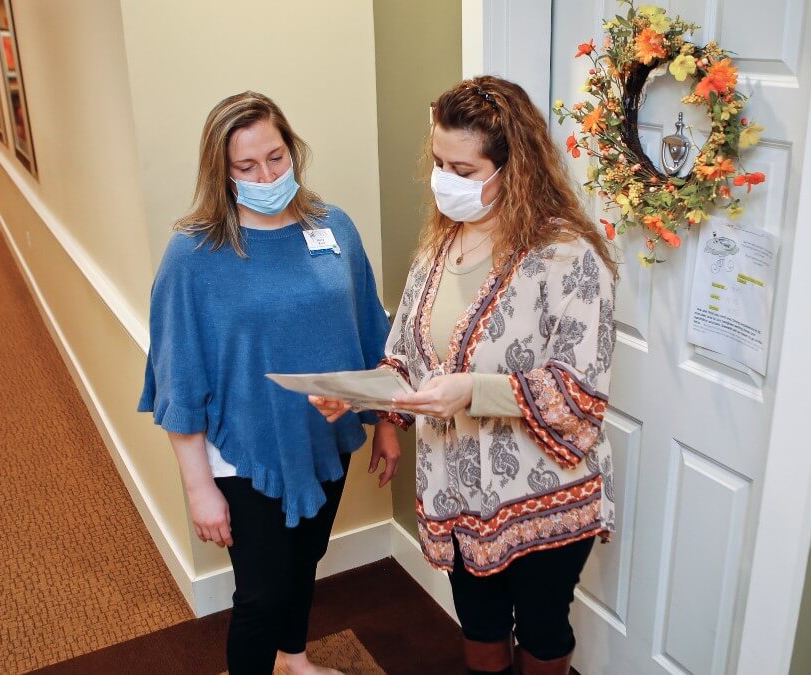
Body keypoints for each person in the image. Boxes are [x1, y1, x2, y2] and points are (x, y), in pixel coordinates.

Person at [311, 76, 618, 675]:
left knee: (542, 631)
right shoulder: (440, 244)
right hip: (454, 488)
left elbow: (580, 393)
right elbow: (406, 353)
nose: (445, 180)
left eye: (464, 169)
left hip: (541, 495)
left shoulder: (568, 256)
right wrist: (361, 395)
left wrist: (471, 391)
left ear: (515, 167)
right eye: (438, 162)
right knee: (477, 626)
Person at [138, 91, 400, 675]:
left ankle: (294, 660)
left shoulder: (333, 227)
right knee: (259, 595)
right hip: (243, 453)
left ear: (293, 150)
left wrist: (385, 422)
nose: (266, 175)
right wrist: (199, 488)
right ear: (221, 171)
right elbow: (176, 377)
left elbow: (371, 331)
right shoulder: (195, 253)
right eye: (247, 166)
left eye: (277, 158)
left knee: (304, 563)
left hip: (322, 441)